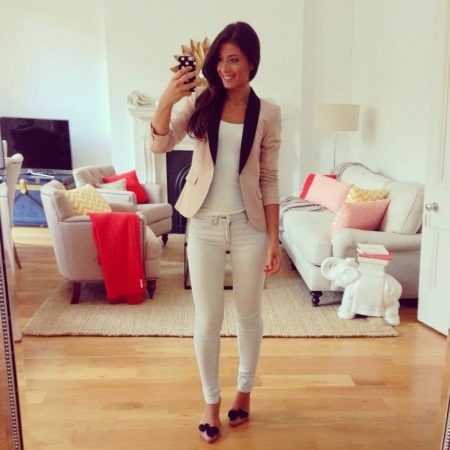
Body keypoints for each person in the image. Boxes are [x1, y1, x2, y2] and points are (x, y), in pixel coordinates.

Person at [150, 21, 281, 444]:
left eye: (234, 59)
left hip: (249, 226)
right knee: (207, 318)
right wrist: (167, 99)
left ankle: (244, 393)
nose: (225, 68)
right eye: (220, 60)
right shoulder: (200, 102)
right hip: (204, 224)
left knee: (249, 314)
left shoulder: (269, 113)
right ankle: (210, 402)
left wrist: (274, 239)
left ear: (252, 62)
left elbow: (269, 178)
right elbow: (160, 144)